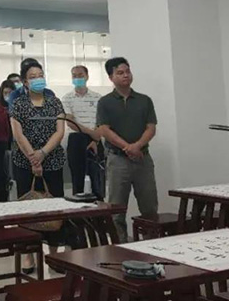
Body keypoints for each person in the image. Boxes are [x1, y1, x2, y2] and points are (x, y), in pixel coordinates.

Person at [10, 59, 67, 271]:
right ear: (25, 82)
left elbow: (59, 131)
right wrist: (33, 157)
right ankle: (28, 255)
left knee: (54, 206)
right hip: (24, 162)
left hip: (52, 160)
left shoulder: (55, 102)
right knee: (28, 208)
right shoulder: (18, 104)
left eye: (40, 75)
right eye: (32, 77)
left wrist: (42, 153)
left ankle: (54, 253)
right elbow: (18, 134)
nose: (38, 79)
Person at [96, 57, 158, 242]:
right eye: (120, 73)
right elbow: (104, 130)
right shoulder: (105, 102)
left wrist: (137, 146)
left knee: (149, 208)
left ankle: (151, 245)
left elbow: (151, 128)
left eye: (127, 71)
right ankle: (120, 248)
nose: (125, 75)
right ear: (111, 77)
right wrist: (127, 147)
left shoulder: (144, 100)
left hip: (142, 158)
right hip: (117, 160)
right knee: (116, 209)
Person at [62, 65, 105, 198]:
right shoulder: (67, 98)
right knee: (77, 180)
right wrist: (90, 133)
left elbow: (102, 121)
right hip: (76, 140)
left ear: (87, 76)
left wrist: (95, 139)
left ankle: (100, 209)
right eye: (74, 76)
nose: (77, 78)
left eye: (80, 75)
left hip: (96, 139)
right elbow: (70, 122)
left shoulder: (98, 97)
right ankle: (78, 209)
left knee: (98, 180)